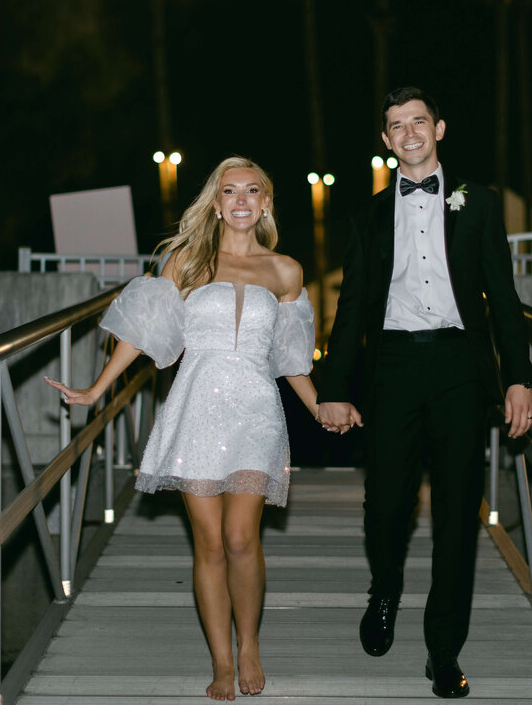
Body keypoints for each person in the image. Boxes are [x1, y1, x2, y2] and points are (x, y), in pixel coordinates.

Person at [46, 156, 335, 701]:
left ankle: (249, 644)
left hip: (256, 410)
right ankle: (221, 662)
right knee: (209, 544)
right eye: (231, 191)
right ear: (217, 202)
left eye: (253, 191)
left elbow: (293, 356)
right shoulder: (188, 261)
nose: (242, 200)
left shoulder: (287, 271)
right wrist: (95, 389)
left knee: (241, 537)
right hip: (197, 407)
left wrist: (319, 408)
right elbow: (143, 332)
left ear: (267, 202)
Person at [317, 87, 532, 699]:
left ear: (439, 128)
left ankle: (444, 650)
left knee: (456, 513)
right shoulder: (364, 218)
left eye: (419, 121)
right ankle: (384, 589)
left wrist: (519, 376)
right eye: (396, 126)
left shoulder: (482, 205)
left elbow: (505, 297)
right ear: (386, 141)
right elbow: (350, 306)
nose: (409, 133)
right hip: (391, 367)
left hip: (461, 369)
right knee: (386, 502)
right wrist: (335, 387)